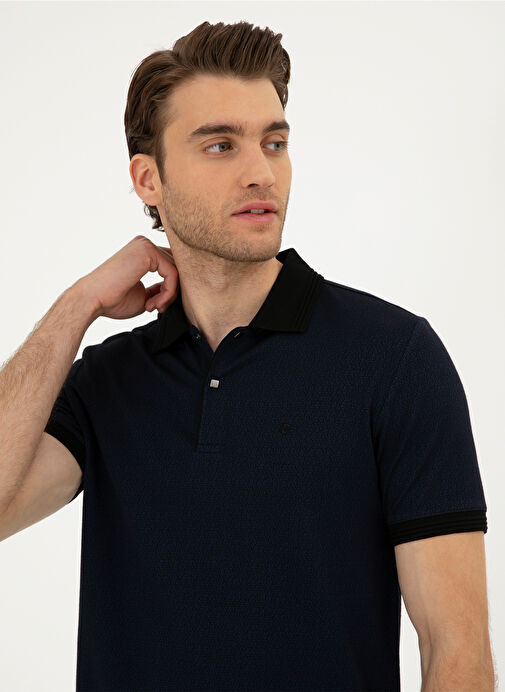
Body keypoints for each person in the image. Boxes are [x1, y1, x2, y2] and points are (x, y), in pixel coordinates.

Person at [0, 20, 495, 692]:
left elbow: (456, 651)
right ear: (148, 179)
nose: (261, 172)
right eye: (220, 145)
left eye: (274, 142)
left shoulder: (394, 359)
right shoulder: (106, 383)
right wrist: (76, 305)